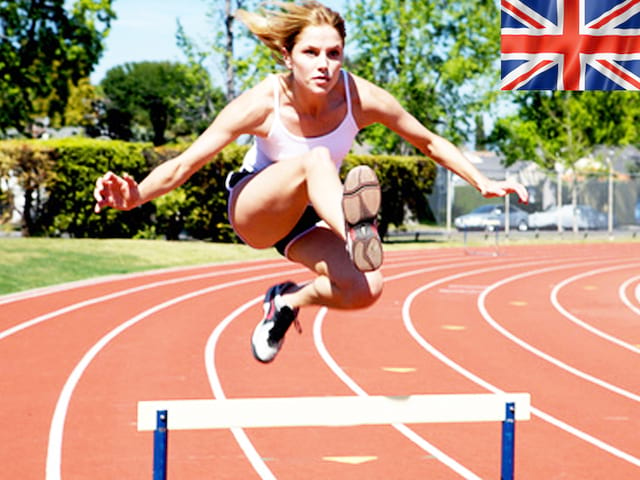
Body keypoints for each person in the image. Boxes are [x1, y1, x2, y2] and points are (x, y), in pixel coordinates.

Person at [93, 0, 528, 363]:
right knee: (315, 159)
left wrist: (481, 181)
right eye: (311, 53)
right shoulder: (264, 101)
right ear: (287, 55)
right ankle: (357, 231)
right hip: (256, 206)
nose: (324, 64)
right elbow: (186, 163)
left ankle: (284, 302)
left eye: (334, 53)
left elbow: (428, 140)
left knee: (366, 289)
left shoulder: (359, 97)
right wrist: (135, 196)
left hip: (307, 218)